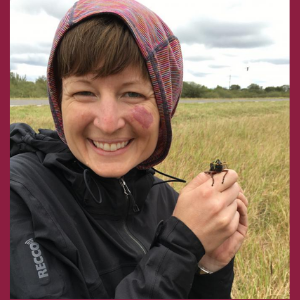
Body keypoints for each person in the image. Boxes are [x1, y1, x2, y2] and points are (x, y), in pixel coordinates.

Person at [10, 0, 248, 298]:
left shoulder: (168, 201)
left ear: (164, 106)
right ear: (59, 102)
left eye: (132, 93)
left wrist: (208, 267)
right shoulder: (18, 197)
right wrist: (180, 246)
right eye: (85, 92)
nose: (108, 123)